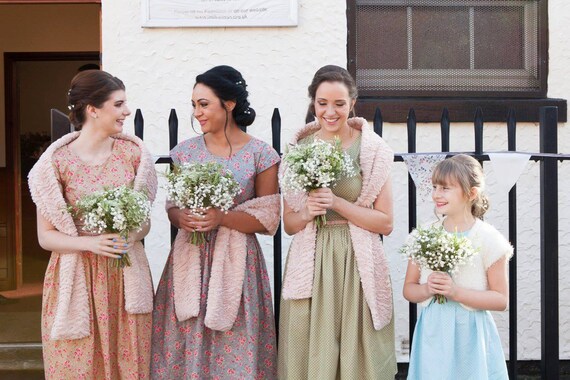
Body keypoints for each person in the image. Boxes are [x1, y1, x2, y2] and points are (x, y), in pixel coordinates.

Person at [150, 65, 280, 379]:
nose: (197, 113)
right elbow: (173, 207)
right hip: (190, 260)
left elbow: (267, 218)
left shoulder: (261, 154)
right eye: (194, 105)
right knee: (185, 339)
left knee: (236, 337)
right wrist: (181, 217)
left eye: (204, 104)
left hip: (237, 263)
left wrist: (220, 217)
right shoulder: (184, 153)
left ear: (230, 104)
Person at [28, 70, 158, 379]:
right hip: (76, 277)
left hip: (124, 273)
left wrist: (130, 235)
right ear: (93, 109)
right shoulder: (55, 163)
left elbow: (145, 223)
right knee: (78, 364)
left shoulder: (133, 155)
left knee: (129, 363)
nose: (126, 112)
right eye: (119, 104)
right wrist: (90, 243)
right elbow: (46, 237)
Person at [277, 65, 397, 379]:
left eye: (339, 104)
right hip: (311, 258)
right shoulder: (298, 150)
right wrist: (307, 212)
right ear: (313, 103)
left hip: (355, 261)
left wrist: (337, 203)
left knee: (357, 348)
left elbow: (385, 222)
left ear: (352, 103)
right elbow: (289, 223)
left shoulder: (372, 150)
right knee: (312, 346)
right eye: (322, 103)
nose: (330, 112)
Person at [403, 154, 512, 379]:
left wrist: (456, 292)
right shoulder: (424, 236)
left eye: (445, 188)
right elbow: (409, 289)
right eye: (435, 186)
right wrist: (427, 289)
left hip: (470, 334)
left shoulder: (488, 239)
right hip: (434, 331)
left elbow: (501, 300)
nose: (436, 194)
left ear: (471, 193)